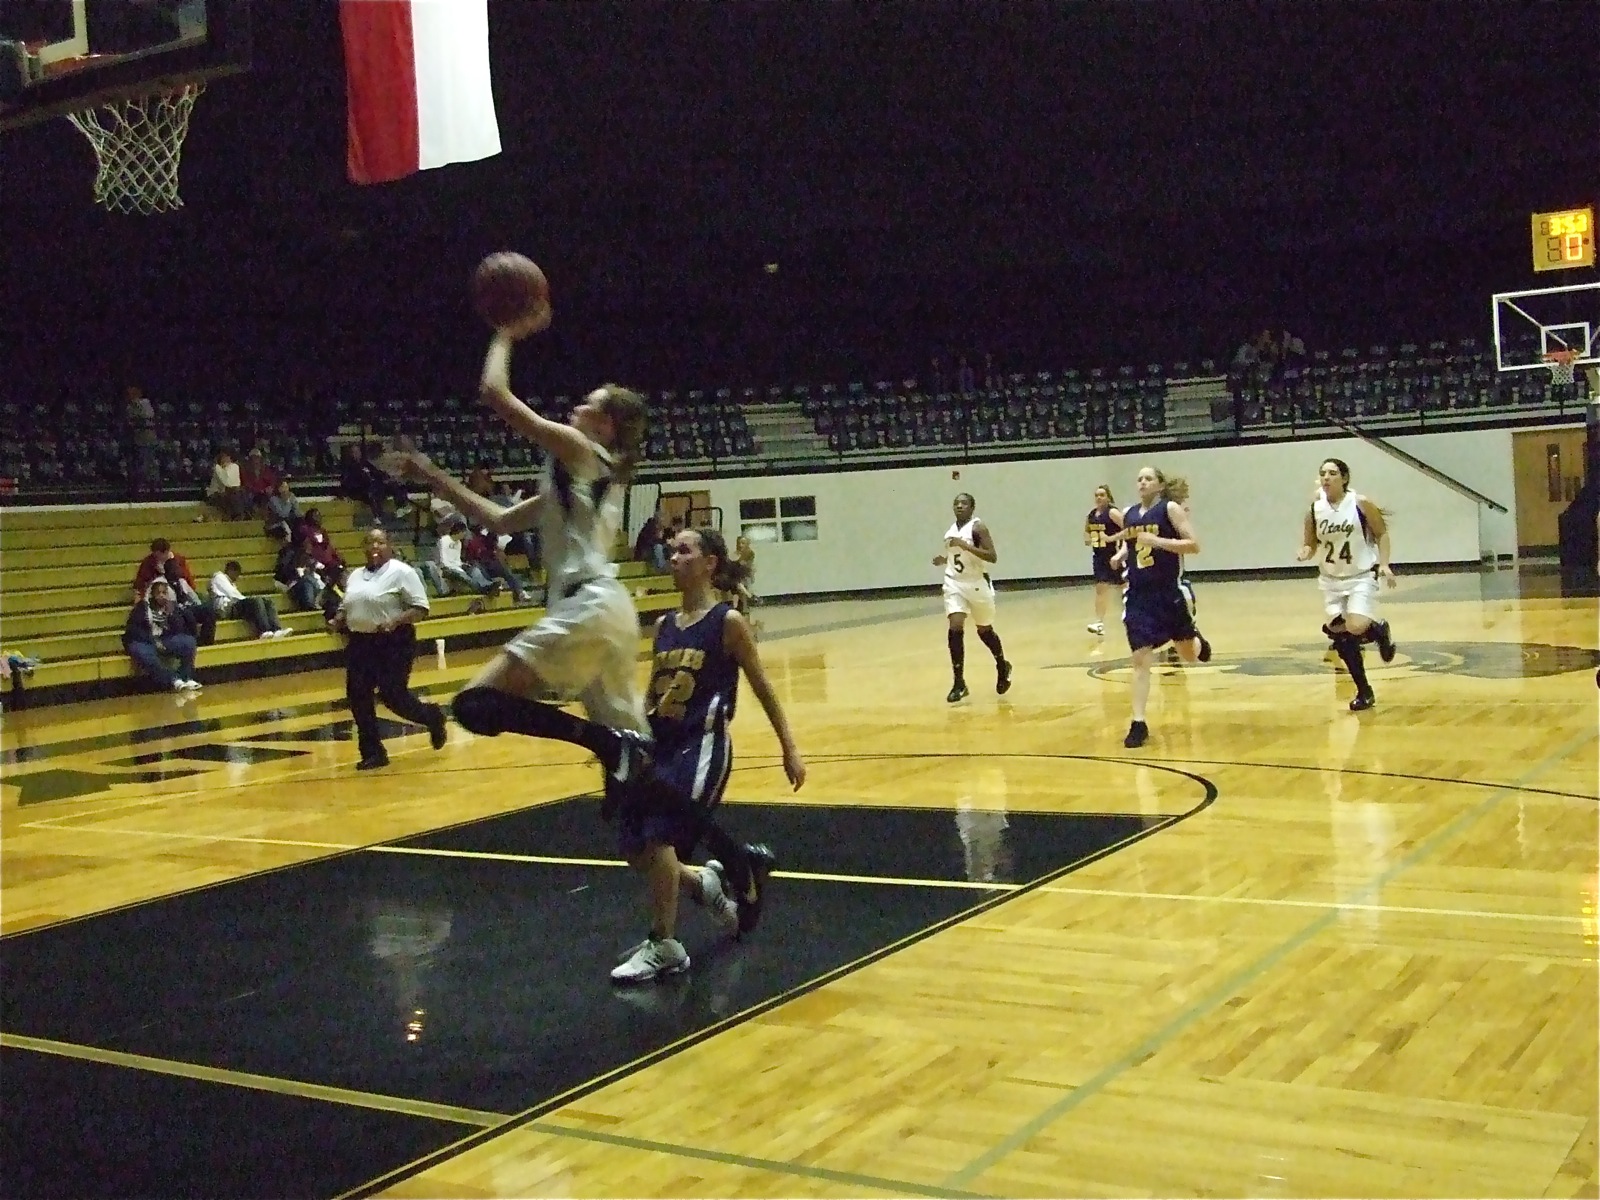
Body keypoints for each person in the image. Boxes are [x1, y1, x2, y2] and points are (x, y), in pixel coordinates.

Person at [612, 527, 805, 984]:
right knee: (636, 849)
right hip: (661, 746)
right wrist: (633, 737)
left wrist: (789, 748)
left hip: (702, 746)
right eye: (672, 551)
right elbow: (655, 693)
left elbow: (763, 687)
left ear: (709, 563)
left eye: (684, 551)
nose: (673, 557)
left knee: (660, 839)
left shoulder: (727, 622)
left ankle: (664, 944)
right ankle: (705, 883)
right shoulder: (664, 625)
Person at [1108, 466, 1211, 748]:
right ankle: (1138, 722)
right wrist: (1121, 555)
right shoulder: (1129, 514)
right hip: (1138, 595)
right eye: (1139, 478)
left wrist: (1158, 542)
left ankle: (1197, 641)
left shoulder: (1170, 509)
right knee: (1140, 659)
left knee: (1188, 655)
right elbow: (1132, 543)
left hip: (1168, 593)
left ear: (1160, 484)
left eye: (1148, 478)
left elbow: (1193, 545)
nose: (1142, 482)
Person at [328, 527, 448, 770]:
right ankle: (372, 751)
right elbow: (347, 604)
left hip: (394, 641)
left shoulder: (402, 572)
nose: (375, 546)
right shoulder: (355, 575)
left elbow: (421, 608)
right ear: (363, 547)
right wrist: (338, 619)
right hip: (360, 642)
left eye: (380, 542)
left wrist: (395, 621)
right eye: (370, 542)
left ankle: (432, 716)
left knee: (393, 695)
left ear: (390, 546)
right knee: (358, 695)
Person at [1297, 457, 1397, 711]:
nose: (1326, 477)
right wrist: (1305, 552)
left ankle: (1378, 630)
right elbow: (1310, 543)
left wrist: (1384, 564)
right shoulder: (1314, 510)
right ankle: (1364, 691)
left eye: (1332, 473)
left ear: (1344, 478)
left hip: (1360, 575)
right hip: (1331, 580)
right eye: (1323, 473)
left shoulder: (1360, 504)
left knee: (1355, 625)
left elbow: (1381, 533)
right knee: (1340, 636)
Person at [932, 492, 1012, 702]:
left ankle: (1002, 665)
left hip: (977, 584)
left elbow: (992, 556)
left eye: (964, 503)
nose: (959, 506)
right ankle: (959, 682)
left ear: (972, 508)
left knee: (984, 630)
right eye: (956, 503)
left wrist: (964, 545)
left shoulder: (978, 528)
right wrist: (944, 559)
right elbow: (958, 556)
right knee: (955, 626)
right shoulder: (951, 530)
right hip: (954, 582)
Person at [123, 579, 202, 693]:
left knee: (189, 642)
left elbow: (179, 629)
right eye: (158, 593)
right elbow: (134, 631)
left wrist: (172, 615)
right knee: (143, 653)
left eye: (164, 592)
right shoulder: (142, 607)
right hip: (145, 641)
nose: (161, 596)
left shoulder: (171, 607)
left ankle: (186, 677)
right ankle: (173, 680)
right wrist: (154, 642)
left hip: (164, 640)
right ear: (152, 594)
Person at [208, 560, 291, 639]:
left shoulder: (231, 583)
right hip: (227, 608)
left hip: (234, 604)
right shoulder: (219, 577)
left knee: (268, 602)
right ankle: (264, 630)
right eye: (237, 574)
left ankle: (276, 629)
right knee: (256, 601)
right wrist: (248, 599)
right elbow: (231, 593)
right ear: (231, 571)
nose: (237, 577)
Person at [1083, 484, 1123, 635]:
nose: (1099, 498)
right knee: (1101, 588)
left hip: (1115, 555)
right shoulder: (1091, 515)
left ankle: (1138, 615)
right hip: (1099, 556)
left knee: (1124, 587)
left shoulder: (1112, 512)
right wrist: (1088, 538)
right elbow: (1086, 530)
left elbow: (1129, 529)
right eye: (1096, 495)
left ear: (1108, 497)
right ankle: (1099, 622)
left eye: (1102, 495)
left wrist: (1112, 538)